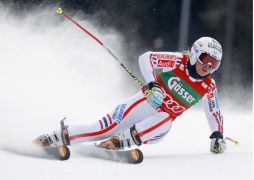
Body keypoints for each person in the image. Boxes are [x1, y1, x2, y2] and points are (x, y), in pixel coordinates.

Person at [35, 37, 226, 154]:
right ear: (195, 54)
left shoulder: (208, 85)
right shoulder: (178, 61)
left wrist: (217, 134)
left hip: (155, 127)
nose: (207, 67)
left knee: (166, 118)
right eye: (205, 60)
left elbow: (213, 110)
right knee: (100, 129)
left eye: (214, 64)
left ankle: (121, 141)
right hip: (144, 103)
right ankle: (52, 138)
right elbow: (146, 58)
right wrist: (152, 85)